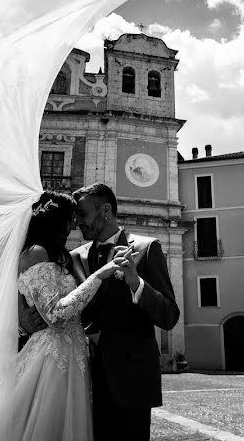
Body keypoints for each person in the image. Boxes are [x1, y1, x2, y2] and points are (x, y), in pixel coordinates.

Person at [0, 191, 124, 441]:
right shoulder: (36, 253)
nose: (75, 223)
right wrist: (99, 275)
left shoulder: (56, 255)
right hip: (51, 358)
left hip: (69, 354)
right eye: (71, 217)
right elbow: (55, 314)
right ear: (57, 220)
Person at [71, 183, 180, 441]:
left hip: (132, 382)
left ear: (105, 211)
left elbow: (169, 315)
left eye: (83, 215)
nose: (78, 223)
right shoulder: (75, 257)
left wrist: (136, 283)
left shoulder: (147, 248)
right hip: (82, 381)